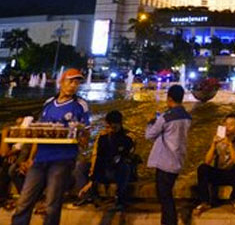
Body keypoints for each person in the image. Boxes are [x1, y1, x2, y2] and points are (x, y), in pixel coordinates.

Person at [12, 68, 90, 225]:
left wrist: (81, 138)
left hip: (62, 160)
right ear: (61, 82)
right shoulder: (48, 104)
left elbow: (86, 133)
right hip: (40, 159)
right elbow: (40, 132)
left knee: (52, 205)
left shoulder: (80, 105)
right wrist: (31, 158)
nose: (74, 85)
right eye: (71, 81)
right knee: (24, 201)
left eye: (77, 82)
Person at [145, 84, 192, 225]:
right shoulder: (187, 117)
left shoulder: (166, 117)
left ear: (169, 98)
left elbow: (149, 135)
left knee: (164, 197)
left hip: (165, 162)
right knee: (167, 195)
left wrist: (150, 121)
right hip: (178, 159)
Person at [73, 110, 135, 210]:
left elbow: (122, 157)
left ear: (119, 125)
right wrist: (92, 179)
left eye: (113, 127)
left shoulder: (127, 139)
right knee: (80, 166)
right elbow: (98, 157)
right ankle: (87, 196)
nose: (110, 130)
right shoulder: (103, 138)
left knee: (124, 167)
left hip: (116, 170)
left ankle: (120, 200)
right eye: (108, 127)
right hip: (103, 169)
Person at [195, 113, 235, 215]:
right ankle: (205, 201)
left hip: (232, 174)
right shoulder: (218, 139)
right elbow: (207, 161)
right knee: (202, 168)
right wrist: (213, 144)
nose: (227, 127)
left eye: (231, 125)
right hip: (219, 172)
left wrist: (230, 145)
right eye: (226, 124)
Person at [0, 120, 35, 211]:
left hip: (27, 159)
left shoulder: (29, 134)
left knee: (13, 169)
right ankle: (3, 198)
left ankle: (25, 198)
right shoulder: (11, 133)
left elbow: (26, 150)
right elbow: (4, 153)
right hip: (17, 157)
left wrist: (16, 153)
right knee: (7, 164)